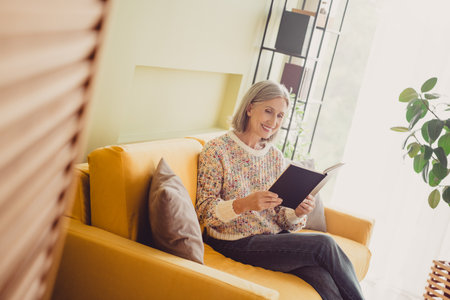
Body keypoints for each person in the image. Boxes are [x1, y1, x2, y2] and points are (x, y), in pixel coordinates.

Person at [195, 80, 364, 300]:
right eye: (268, 111)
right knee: (324, 244)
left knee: (323, 278)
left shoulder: (274, 156)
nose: (273, 121)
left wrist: (297, 213)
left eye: (280, 116)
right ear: (249, 108)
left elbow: (281, 217)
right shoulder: (217, 150)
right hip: (233, 241)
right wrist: (244, 204)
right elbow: (204, 212)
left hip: (270, 238)